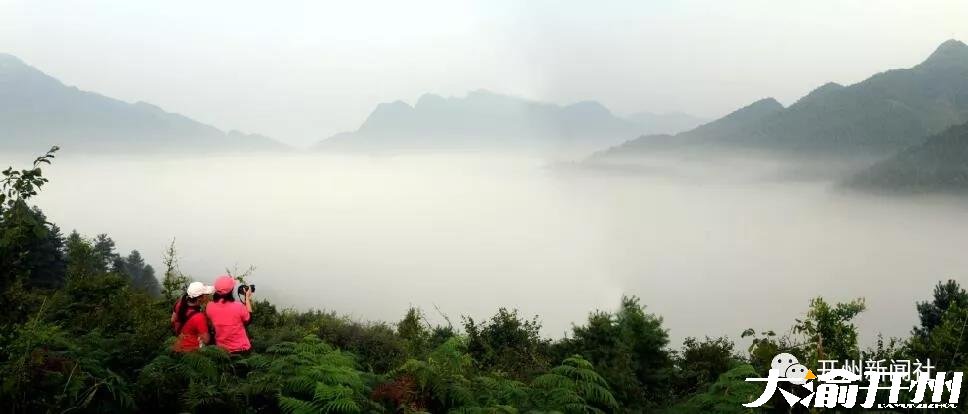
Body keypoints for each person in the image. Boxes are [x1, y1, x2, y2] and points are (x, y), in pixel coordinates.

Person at [206, 275, 254, 353]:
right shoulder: (239, 307)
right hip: (241, 349)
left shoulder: (209, 306)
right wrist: (247, 298)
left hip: (221, 351)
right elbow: (249, 319)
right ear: (231, 291)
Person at [171, 281, 214, 353]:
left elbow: (173, 320)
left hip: (178, 345)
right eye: (205, 295)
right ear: (200, 298)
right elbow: (206, 339)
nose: (206, 297)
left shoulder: (179, 303)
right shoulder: (199, 317)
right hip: (191, 352)